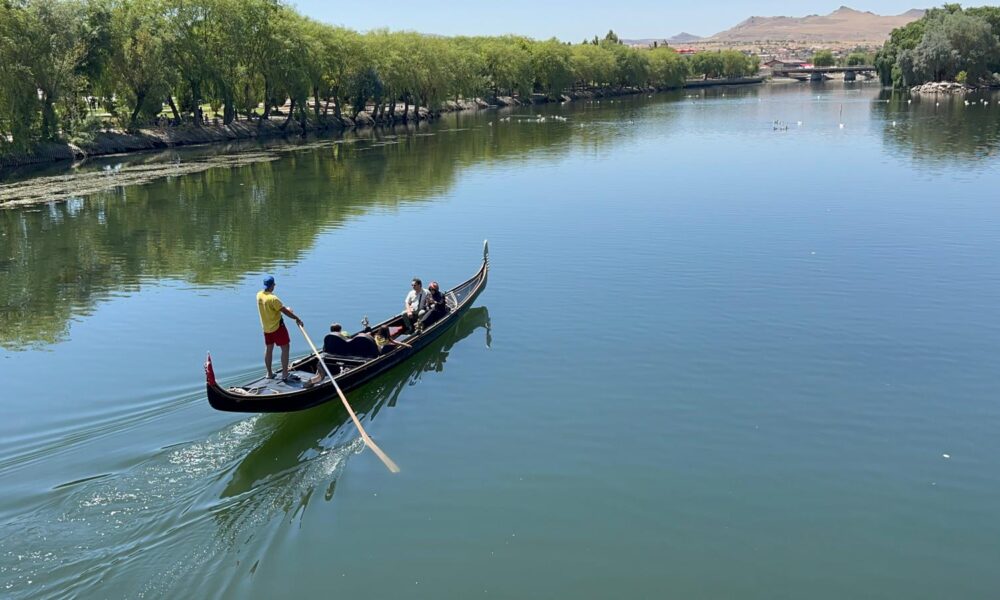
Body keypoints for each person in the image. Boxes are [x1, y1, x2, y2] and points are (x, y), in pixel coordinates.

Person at [257, 275, 304, 381]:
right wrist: (297, 318)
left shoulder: (259, 295)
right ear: (272, 285)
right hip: (277, 327)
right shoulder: (273, 299)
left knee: (269, 349)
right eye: (273, 284)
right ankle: (285, 374)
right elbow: (285, 311)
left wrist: (285, 309)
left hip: (266, 328)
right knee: (285, 348)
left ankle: (269, 374)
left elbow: (274, 308)